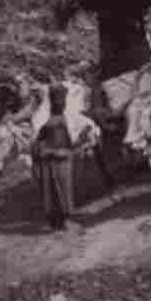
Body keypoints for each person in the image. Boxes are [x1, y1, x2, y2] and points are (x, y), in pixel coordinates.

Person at [31, 82, 96, 231]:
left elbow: (84, 130)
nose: (60, 102)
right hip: (50, 160)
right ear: (51, 100)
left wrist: (85, 135)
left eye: (62, 98)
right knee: (52, 191)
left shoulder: (70, 116)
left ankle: (66, 219)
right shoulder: (43, 119)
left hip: (65, 158)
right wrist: (46, 151)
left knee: (66, 189)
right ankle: (56, 222)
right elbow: (36, 142)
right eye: (56, 99)